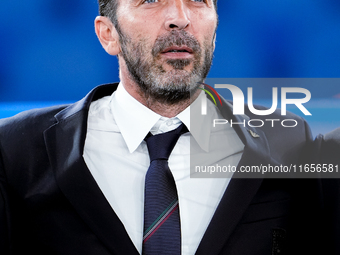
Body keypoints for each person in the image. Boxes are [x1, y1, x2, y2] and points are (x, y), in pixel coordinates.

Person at [0, 0, 326, 254]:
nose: (180, 18)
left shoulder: (289, 140)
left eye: (198, 1)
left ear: (215, 28)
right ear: (107, 33)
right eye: (151, 0)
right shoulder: (16, 148)